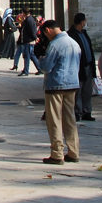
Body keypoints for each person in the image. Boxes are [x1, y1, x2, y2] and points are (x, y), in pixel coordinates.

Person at [33, 18, 80, 164]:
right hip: (72, 84)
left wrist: (41, 58)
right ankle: (73, 152)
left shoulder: (55, 44)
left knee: (54, 120)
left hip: (56, 85)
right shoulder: (74, 43)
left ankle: (57, 153)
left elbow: (46, 67)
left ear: (48, 30)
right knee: (69, 119)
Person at [68, 13, 96, 121]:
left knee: (88, 90)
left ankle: (86, 111)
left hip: (88, 65)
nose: (85, 23)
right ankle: (77, 112)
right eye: (84, 21)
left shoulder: (84, 34)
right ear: (81, 22)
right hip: (78, 67)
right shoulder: (71, 35)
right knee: (78, 91)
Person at [15, 10, 41, 76]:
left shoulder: (29, 20)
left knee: (27, 56)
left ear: (24, 13)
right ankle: (40, 69)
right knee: (31, 55)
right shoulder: (28, 20)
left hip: (29, 41)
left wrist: (35, 38)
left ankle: (26, 71)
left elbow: (32, 31)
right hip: (28, 41)